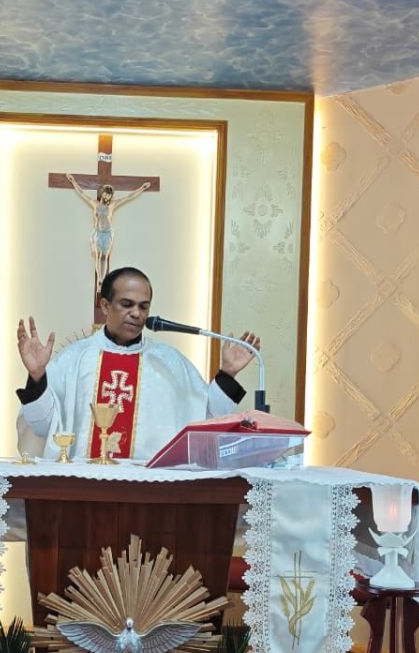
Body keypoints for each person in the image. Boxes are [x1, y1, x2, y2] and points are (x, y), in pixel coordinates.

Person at [16, 266, 261, 461]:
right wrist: (36, 376)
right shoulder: (73, 360)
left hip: (151, 490)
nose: (136, 313)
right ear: (105, 305)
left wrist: (228, 374)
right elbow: (41, 427)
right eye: (127, 304)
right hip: (84, 490)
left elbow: (206, 420)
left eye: (144, 307)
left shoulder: (169, 363)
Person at [65, 175, 151, 285]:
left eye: (109, 195)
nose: (107, 197)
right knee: (98, 256)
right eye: (106, 194)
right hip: (98, 232)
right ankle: (99, 281)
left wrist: (142, 188)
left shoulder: (112, 205)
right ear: (102, 193)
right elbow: (82, 193)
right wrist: (73, 181)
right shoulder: (95, 203)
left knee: (105, 257)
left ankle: (103, 279)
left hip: (107, 233)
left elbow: (128, 197)